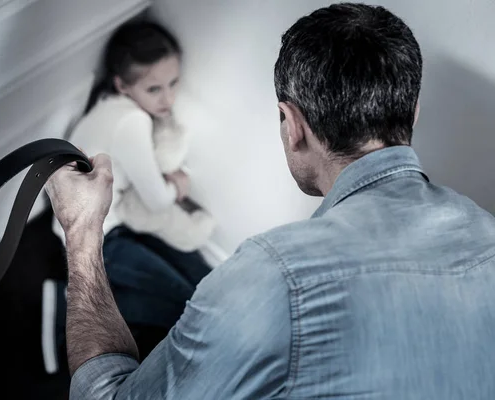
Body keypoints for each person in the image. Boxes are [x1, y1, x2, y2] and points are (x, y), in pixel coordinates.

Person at [46, 3, 495, 399]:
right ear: (413, 110)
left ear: (291, 123)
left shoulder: (271, 275)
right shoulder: (487, 232)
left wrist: (82, 230)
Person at [41, 20, 212, 374]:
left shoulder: (107, 103)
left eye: (173, 83)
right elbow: (157, 200)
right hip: (100, 235)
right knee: (185, 303)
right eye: (154, 89)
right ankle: (65, 305)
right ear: (123, 84)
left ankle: (88, 297)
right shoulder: (132, 122)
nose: (168, 99)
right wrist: (179, 184)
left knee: (185, 283)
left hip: (82, 220)